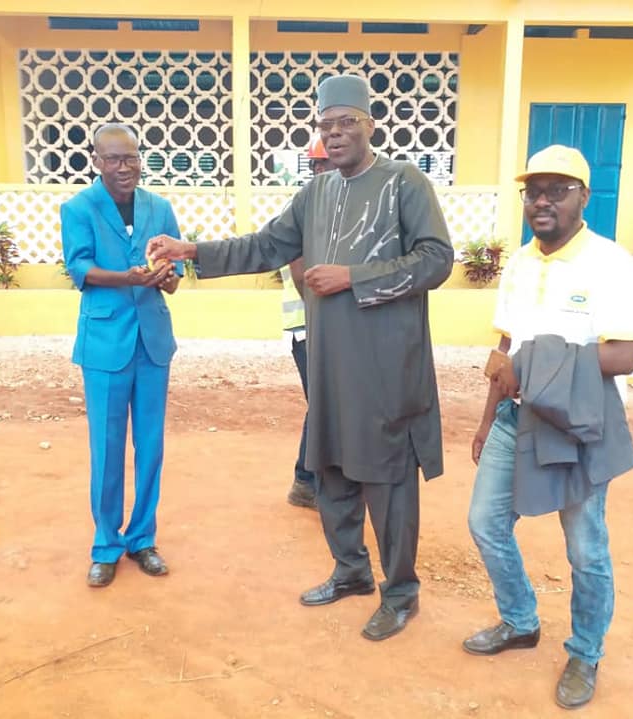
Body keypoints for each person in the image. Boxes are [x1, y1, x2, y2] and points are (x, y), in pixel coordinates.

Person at [148, 75, 454, 641]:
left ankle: (402, 592)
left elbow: (437, 260)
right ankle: (351, 572)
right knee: (330, 464)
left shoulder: (403, 182)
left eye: (346, 124)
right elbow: (266, 245)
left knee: (386, 477)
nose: (335, 135)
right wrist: (193, 250)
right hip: (329, 360)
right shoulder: (316, 194)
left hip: (387, 365)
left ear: (369, 125)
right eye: (326, 126)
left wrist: (353, 277)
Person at [463, 145, 633, 709]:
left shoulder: (610, 262)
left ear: (583, 197)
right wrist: (487, 415)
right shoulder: (519, 262)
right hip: (516, 419)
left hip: (578, 424)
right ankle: (520, 621)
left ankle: (585, 652)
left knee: (586, 548)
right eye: (533, 191)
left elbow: (624, 356)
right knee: (485, 522)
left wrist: (531, 364)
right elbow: (505, 348)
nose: (542, 201)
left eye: (557, 190)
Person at [60, 123, 181, 588]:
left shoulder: (160, 206)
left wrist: (166, 277)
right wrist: (129, 278)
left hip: (152, 340)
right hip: (105, 343)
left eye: (130, 157)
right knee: (107, 449)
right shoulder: (79, 208)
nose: (124, 166)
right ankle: (106, 543)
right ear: (96, 161)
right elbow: (80, 268)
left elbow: (175, 268)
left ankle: (143, 537)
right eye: (113, 158)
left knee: (150, 445)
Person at [283, 133, 334, 510]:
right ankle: (309, 482)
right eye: (322, 163)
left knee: (325, 405)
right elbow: (300, 271)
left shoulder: (333, 207)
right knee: (324, 406)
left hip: (320, 328)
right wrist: (323, 321)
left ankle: (306, 480)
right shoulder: (309, 210)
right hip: (311, 328)